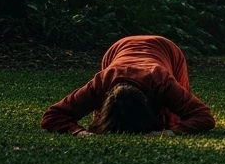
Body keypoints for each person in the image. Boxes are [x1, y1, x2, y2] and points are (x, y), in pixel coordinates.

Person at [41, 34, 215, 136]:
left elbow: (203, 117)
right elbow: (53, 115)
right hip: (118, 49)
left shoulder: (161, 81)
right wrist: (81, 133)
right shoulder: (101, 82)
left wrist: (168, 132)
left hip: (167, 49)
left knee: (172, 120)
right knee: (104, 124)